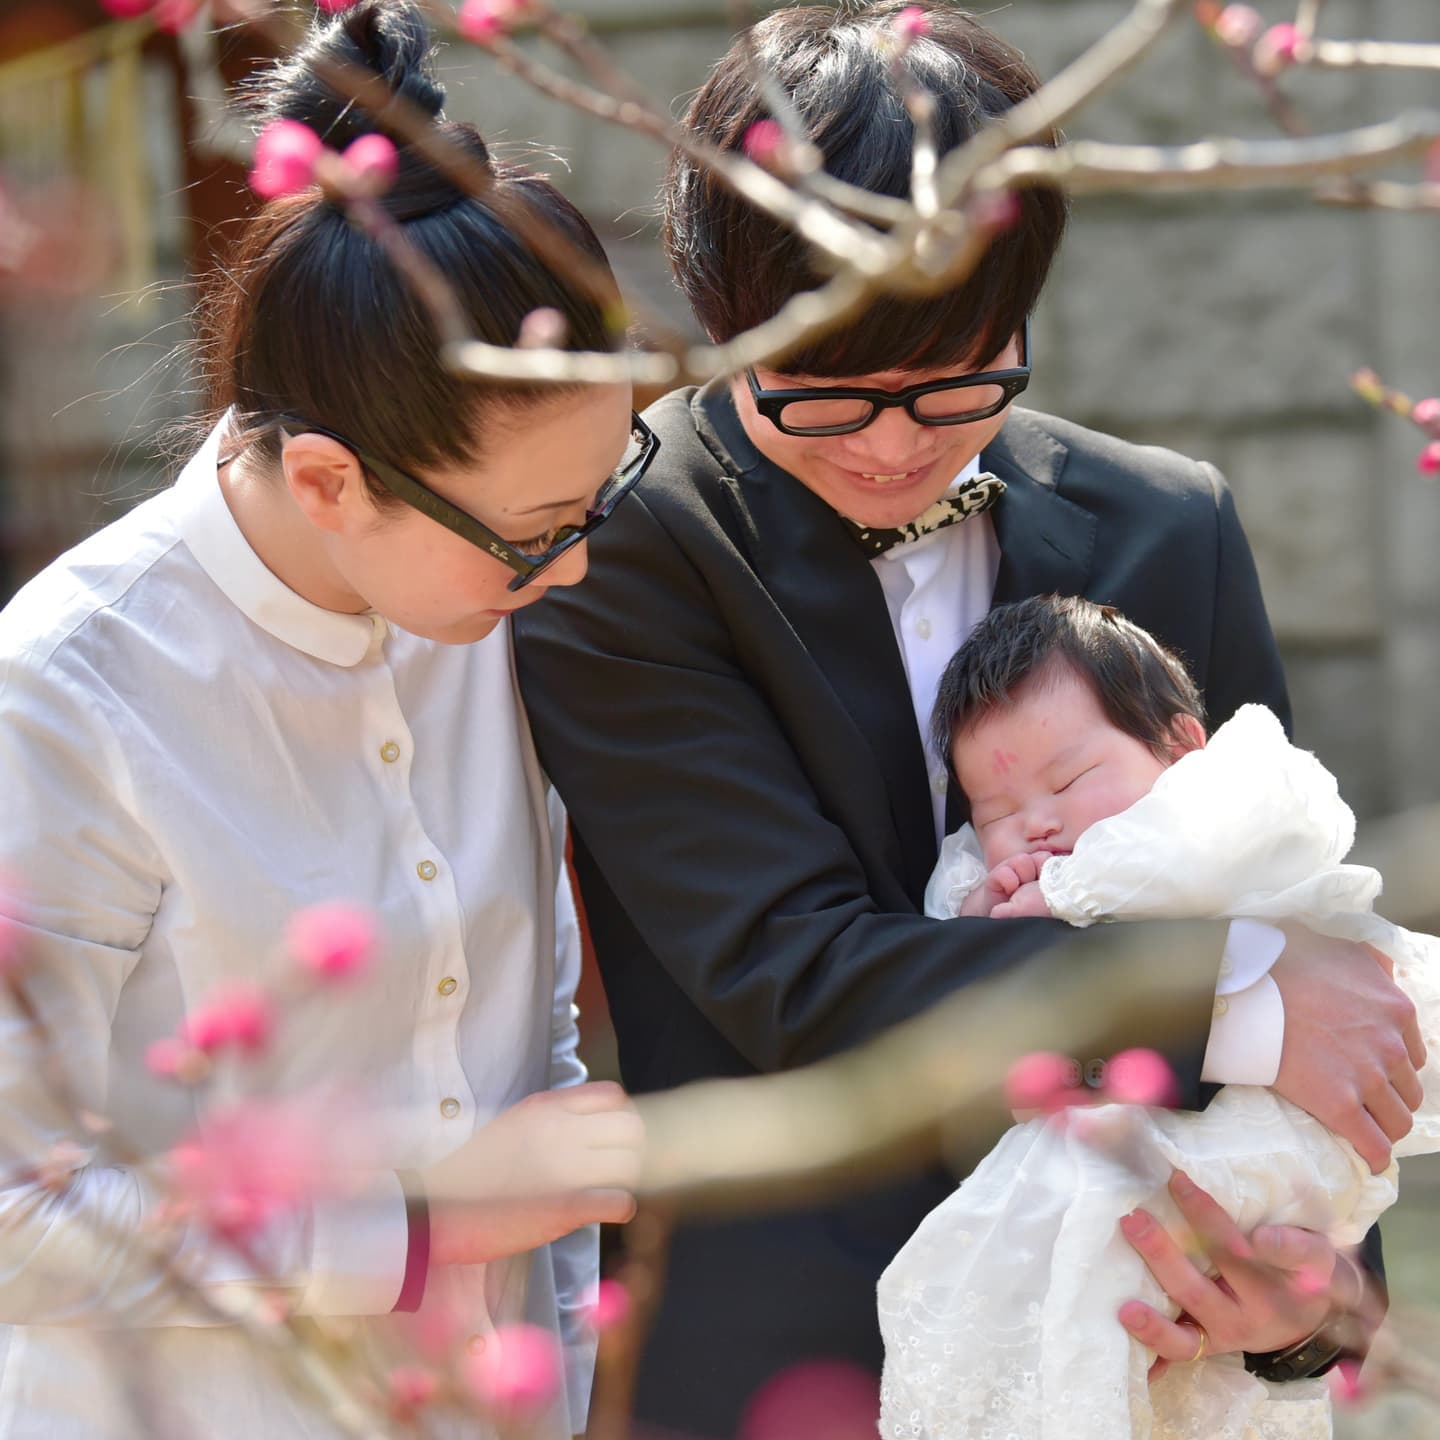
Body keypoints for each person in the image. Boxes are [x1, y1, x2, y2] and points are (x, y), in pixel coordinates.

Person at [512, 3, 1424, 1433]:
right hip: (796, 1368)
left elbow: (1285, 890)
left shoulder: (1167, 526)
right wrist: (1237, 1000)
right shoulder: (619, 554)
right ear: (729, 313)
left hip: (1148, 1354)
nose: (891, 440)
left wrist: (1311, 1303)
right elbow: (794, 970)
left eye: (957, 376)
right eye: (826, 393)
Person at [0, 4, 650, 1436]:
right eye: (536, 532)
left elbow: (516, 1039)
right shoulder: (67, 688)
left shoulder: (465, 603)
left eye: (602, 497)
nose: (577, 567)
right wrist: (417, 1226)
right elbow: (12, 1215)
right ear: (325, 482)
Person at [877, 596, 1440, 1440]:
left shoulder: (1201, 815)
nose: (1036, 822)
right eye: (994, 815)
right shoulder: (1020, 864)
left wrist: (1043, 900)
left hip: (1257, 1140)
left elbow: (1163, 873)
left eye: (1068, 783)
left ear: (1180, 748)